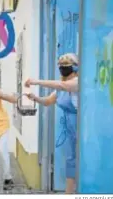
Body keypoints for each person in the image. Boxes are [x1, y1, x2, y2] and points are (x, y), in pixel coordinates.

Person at [25, 53, 79, 194]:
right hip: (70, 129)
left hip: (81, 129)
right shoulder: (61, 88)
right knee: (70, 160)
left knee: (81, 160)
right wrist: (35, 98)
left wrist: (36, 81)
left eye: (65, 66)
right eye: (60, 66)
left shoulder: (77, 82)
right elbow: (48, 101)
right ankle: (69, 193)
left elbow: (63, 85)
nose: (62, 69)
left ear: (74, 67)